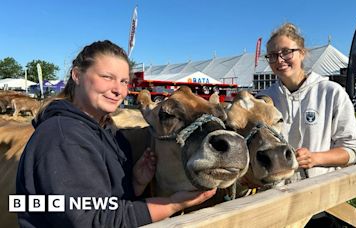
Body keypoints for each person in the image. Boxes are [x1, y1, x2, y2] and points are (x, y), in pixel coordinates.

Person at [16, 40, 216, 228]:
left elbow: (99, 200)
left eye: (123, 81)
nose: (118, 90)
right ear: (76, 75)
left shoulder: (102, 130)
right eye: (107, 77)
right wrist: (172, 204)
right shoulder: (63, 136)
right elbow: (94, 220)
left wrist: (135, 182)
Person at [257, 23, 356, 182]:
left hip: (319, 190)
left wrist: (315, 158)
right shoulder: (263, 99)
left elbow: (352, 149)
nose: (279, 60)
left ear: (302, 53)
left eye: (286, 52)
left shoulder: (331, 92)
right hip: (273, 191)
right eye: (272, 55)